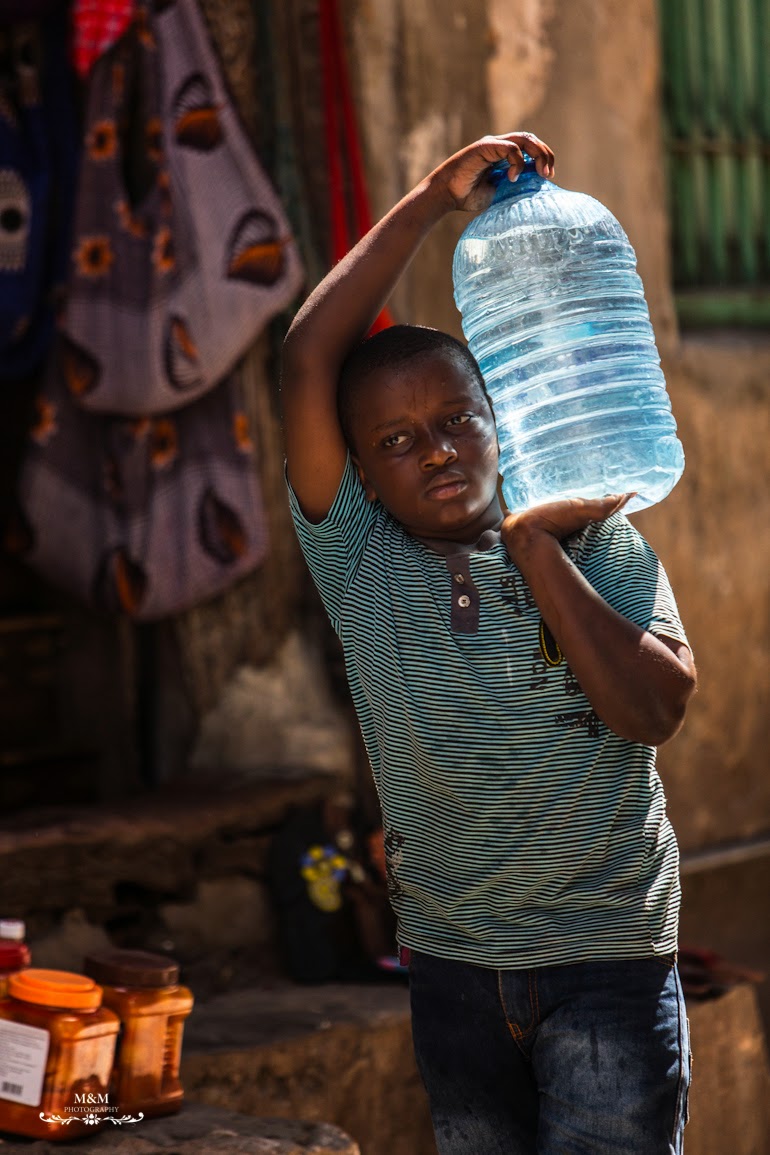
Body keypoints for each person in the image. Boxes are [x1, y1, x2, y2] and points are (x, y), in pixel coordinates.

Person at [280, 131, 697, 1155]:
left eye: (459, 420)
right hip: (451, 967)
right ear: (361, 478)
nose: (437, 450)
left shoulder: (592, 535)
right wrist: (427, 198)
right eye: (396, 441)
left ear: (500, 417)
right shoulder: (357, 558)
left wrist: (532, 548)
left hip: (607, 963)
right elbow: (304, 357)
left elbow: (652, 710)